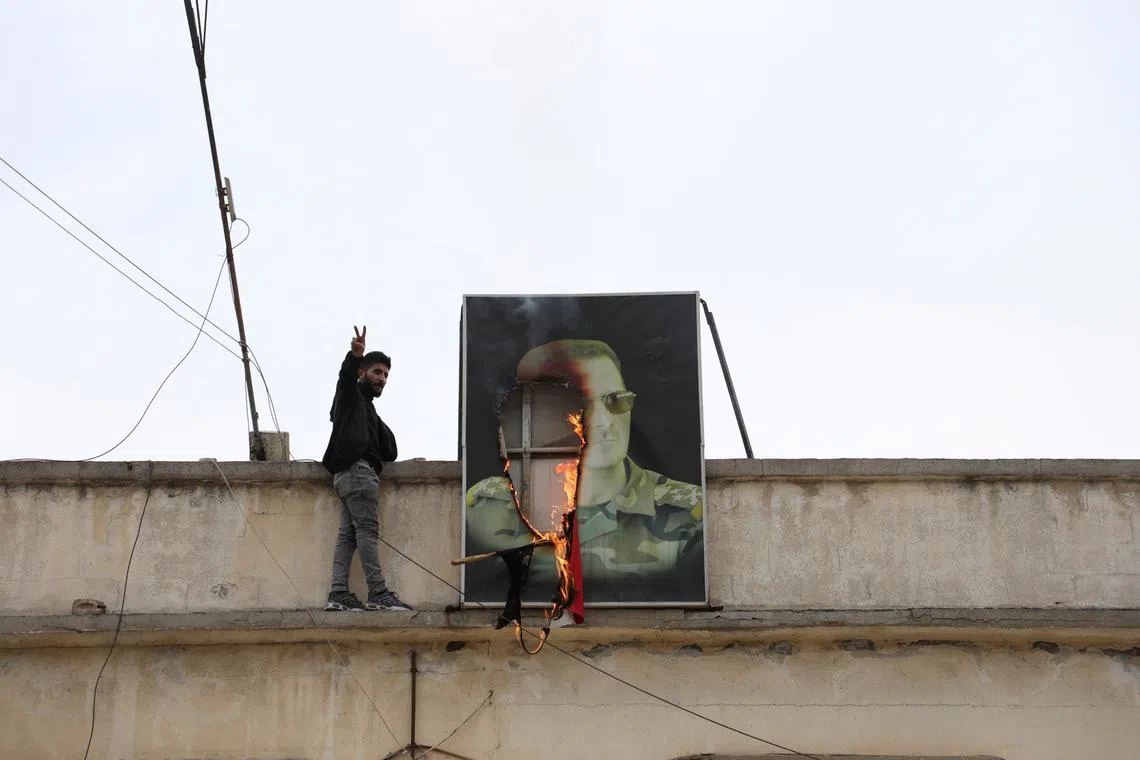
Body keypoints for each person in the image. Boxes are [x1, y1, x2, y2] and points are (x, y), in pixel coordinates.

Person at [465, 339, 704, 602]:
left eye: (615, 401)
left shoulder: (689, 516)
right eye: (582, 406)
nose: (604, 423)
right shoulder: (487, 509)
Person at [321, 325, 413, 612]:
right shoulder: (350, 398)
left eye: (385, 375)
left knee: (349, 535)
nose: (382, 379)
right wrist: (354, 356)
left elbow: (390, 450)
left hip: (350, 476)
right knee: (367, 531)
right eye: (376, 372)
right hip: (358, 474)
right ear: (362, 373)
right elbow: (344, 381)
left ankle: (338, 593)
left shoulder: (368, 411)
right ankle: (378, 593)